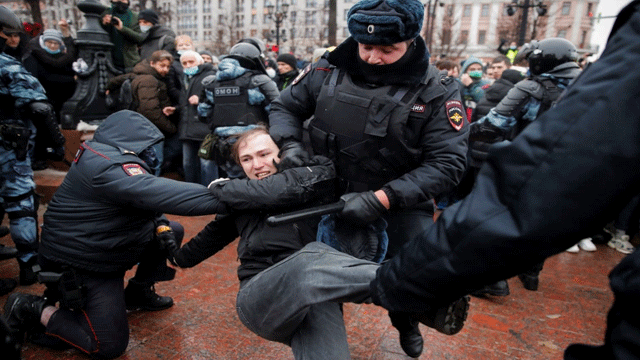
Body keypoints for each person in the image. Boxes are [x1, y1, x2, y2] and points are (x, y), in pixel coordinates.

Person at [370, 2, 640, 359]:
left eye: (386, 49)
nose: (374, 57)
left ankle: (468, 290)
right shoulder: (579, 81)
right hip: (553, 182)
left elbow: (518, 160)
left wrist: (409, 277)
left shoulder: (526, 87)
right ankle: (523, 277)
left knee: (506, 220)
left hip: (524, 169)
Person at [268, 0, 470, 357]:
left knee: (407, 275)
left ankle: (406, 319)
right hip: (327, 193)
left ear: (410, 41)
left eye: (387, 49)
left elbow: (448, 162)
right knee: (318, 276)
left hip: (399, 203)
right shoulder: (327, 68)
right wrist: (288, 147)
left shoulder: (437, 89)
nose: (374, 57)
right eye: (366, 47)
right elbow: (285, 106)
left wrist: (382, 199)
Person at [2, 110, 228, 359]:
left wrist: (160, 223)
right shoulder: (106, 165)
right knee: (107, 345)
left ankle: (138, 293)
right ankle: (32, 308)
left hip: (106, 244)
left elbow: (142, 198)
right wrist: (229, 194)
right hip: (85, 260)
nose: (150, 151)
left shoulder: (109, 154)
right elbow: (152, 190)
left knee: (171, 230)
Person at [0, 6, 66, 286]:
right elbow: (40, 109)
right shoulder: (8, 66)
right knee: (22, 205)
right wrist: (58, 144)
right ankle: (29, 266)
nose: (16, 40)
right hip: (9, 153)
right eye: (10, 35)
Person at [198, 41, 279, 179]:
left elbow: (203, 113)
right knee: (258, 182)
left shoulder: (211, 82)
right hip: (254, 143)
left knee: (231, 181)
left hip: (222, 143)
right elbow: (278, 110)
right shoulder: (259, 81)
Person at [24, 27, 77, 170]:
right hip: (42, 101)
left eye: (56, 43)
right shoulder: (33, 57)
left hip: (59, 100)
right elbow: (44, 78)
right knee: (40, 132)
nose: (53, 46)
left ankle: (51, 156)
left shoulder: (62, 58)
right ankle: (37, 159)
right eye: (49, 43)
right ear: (43, 42)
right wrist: (71, 80)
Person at [178, 50, 218, 185]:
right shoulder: (185, 78)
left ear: (200, 62)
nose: (188, 65)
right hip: (187, 128)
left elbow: (217, 100)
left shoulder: (210, 76)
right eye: (184, 63)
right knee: (188, 164)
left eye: (191, 62)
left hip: (204, 129)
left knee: (206, 165)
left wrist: (201, 100)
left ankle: (210, 193)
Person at [101, 0, 143, 73]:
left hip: (129, 64)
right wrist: (103, 23)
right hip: (108, 63)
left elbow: (139, 38)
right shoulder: (105, 13)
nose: (120, 1)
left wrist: (122, 28)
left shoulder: (134, 16)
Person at [459, 56, 491, 120]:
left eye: (479, 69)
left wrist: (471, 85)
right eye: (472, 69)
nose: (476, 71)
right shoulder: (459, 84)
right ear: (465, 71)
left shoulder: (487, 84)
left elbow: (482, 99)